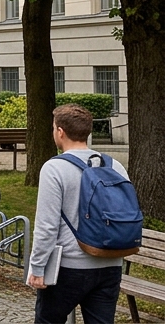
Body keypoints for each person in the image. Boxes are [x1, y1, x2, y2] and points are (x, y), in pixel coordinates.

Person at [28, 104, 133, 324]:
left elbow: (47, 225)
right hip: (110, 264)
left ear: (60, 132)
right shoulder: (115, 166)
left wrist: (37, 267)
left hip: (68, 268)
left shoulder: (54, 168)